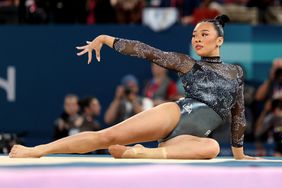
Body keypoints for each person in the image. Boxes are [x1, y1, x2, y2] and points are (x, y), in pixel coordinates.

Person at [9, 15, 257, 160]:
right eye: (194, 35)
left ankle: (141, 153)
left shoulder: (235, 72)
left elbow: (238, 114)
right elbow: (148, 52)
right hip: (176, 114)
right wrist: (107, 39)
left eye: (204, 35)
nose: (197, 39)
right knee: (106, 137)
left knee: (212, 148)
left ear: (219, 40)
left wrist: (239, 154)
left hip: (191, 138)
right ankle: (37, 150)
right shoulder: (188, 64)